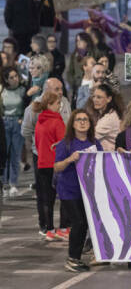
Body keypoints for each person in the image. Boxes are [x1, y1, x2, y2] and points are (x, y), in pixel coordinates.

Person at [54, 109, 102, 272]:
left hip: (88, 191)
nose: (82, 122)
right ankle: (72, 258)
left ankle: (76, 257)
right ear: (72, 124)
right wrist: (69, 159)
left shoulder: (95, 143)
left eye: (85, 120)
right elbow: (56, 167)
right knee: (79, 222)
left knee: (85, 223)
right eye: (79, 120)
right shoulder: (65, 144)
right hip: (69, 190)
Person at [33, 91, 66, 242]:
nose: (60, 106)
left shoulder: (40, 121)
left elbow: (38, 143)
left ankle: (49, 229)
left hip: (42, 164)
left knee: (47, 199)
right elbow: (64, 144)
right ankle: (64, 228)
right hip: (56, 165)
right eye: (58, 103)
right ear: (49, 105)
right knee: (65, 197)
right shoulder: (57, 121)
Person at [1, 66, 27, 197]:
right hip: (4, 122)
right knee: (4, 154)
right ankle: (4, 183)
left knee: (15, 154)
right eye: (11, 77)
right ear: (6, 79)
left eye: (16, 76)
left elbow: (27, 106)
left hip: (17, 123)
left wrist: (22, 118)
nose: (15, 79)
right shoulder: (2, 90)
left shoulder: (22, 90)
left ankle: (13, 183)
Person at [87, 84, 123, 151]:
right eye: (94, 96)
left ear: (109, 99)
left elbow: (90, 139)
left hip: (109, 157)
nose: (95, 100)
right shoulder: (107, 113)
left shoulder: (109, 119)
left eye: (99, 97)